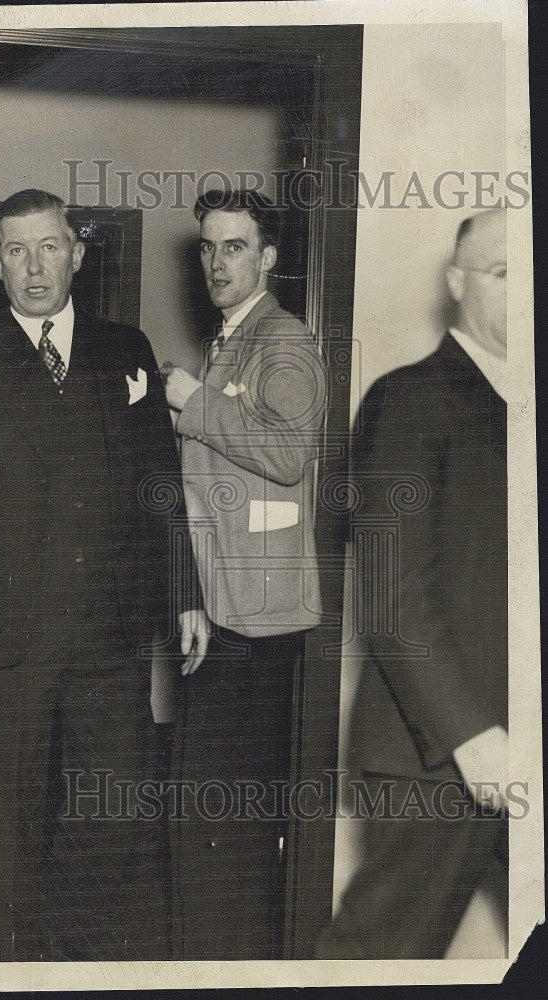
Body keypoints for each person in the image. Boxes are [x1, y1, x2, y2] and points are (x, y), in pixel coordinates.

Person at [0, 189, 207, 962]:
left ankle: (77, 964)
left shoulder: (124, 349)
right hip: (4, 645)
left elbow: (159, 484)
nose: (35, 266)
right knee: (1, 834)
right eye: (17, 251)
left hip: (109, 640)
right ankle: (3, 972)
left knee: (112, 819)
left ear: (78, 254)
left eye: (50, 247)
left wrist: (186, 595)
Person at [316, 208, 508, 959]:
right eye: (502, 273)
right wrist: (473, 737)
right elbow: (395, 599)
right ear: (457, 282)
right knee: (377, 958)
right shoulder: (410, 400)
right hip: (442, 759)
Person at [162, 188, 326, 959]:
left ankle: (226, 963)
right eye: (208, 247)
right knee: (208, 815)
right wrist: (190, 597)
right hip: (224, 611)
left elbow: (289, 454)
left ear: (267, 258)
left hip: (260, 624)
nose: (217, 262)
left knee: (228, 819)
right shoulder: (231, 339)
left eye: (235, 247)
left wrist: (193, 403)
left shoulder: (283, 339)